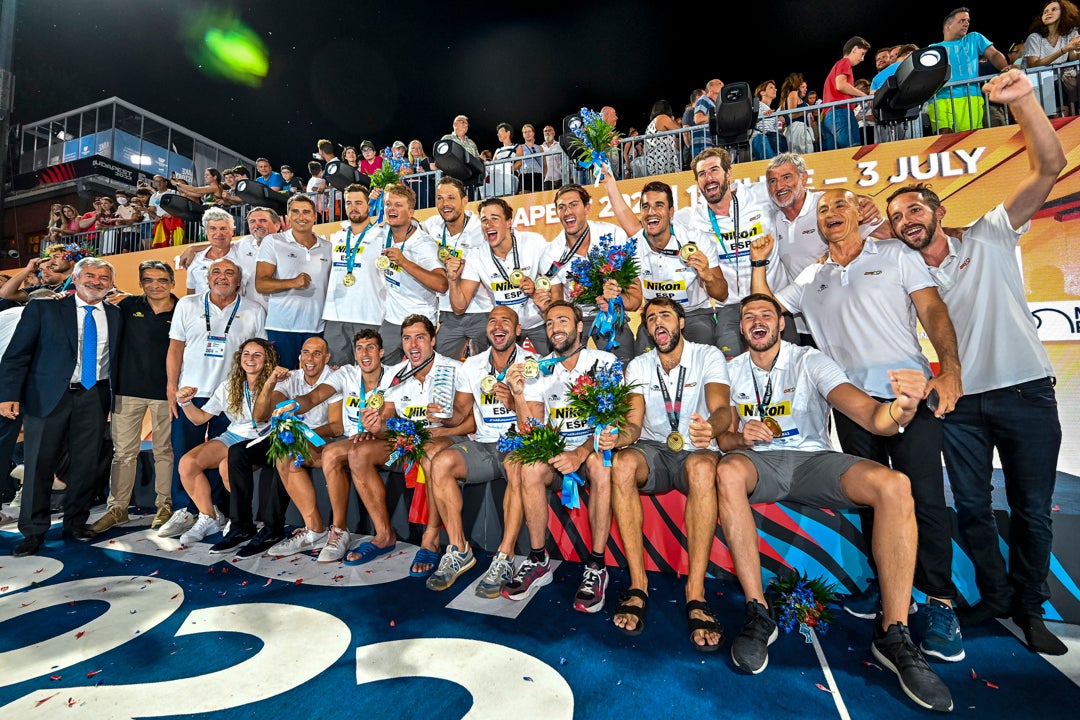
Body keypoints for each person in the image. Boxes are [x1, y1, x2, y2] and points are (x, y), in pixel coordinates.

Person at [885, 68, 1068, 656]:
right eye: (897, 218)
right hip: (958, 404)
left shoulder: (990, 233)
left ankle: (1030, 608)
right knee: (971, 508)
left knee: (1032, 511)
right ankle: (994, 596)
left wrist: (1025, 103)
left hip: (1025, 393)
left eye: (914, 210)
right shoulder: (905, 276)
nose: (906, 222)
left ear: (937, 210)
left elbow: (1049, 167)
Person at [749, 188, 968, 664]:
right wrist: (759, 262)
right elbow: (764, 308)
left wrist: (949, 368)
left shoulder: (894, 255)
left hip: (909, 399)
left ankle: (939, 602)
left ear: (859, 212)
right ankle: (886, 587)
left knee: (925, 499)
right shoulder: (811, 277)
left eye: (840, 205)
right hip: (852, 406)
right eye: (823, 209)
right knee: (871, 499)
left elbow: (933, 310)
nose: (830, 213)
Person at [715, 294, 953, 713]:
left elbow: (871, 417)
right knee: (728, 470)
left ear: (782, 324)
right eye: (748, 316)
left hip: (813, 461)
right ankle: (758, 611)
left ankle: (893, 632)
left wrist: (900, 409)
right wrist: (740, 437)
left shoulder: (810, 361)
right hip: (760, 464)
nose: (757, 321)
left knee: (895, 484)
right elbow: (725, 441)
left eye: (766, 314)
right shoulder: (730, 371)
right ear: (741, 328)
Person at [608, 297, 730, 648]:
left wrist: (711, 427)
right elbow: (634, 424)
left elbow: (723, 410)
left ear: (681, 322)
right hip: (656, 450)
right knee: (622, 464)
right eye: (650, 319)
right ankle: (638, 585)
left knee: (704, 468)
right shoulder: (639, 365)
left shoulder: (708, 355)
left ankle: (695, 592)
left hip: (696, 448)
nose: (658, 322)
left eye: (665, 315)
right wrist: (618, 437)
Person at [1, 258, 122, 557]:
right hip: (47, 397)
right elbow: (17, 354)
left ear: (111, 284)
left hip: (94, 396)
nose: (96, 282)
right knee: (39, 465)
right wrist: (8, 394)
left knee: (85, 464)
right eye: (90, 275)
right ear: (76, 279)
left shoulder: (117, 314)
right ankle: (33, 531)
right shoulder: (44, 308)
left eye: (104, 278)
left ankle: (76, 523)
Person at [501, 301, 618, 610]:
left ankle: (597, 565)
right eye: (550, 323)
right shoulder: (539, 369)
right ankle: (538, 559)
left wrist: (579, 453)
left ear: (580, 327)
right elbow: (531, 432)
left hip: (592, 450)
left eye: (563, 321)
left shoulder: (604, 361)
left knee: (601, 465)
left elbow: (610, 425)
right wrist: (518, 395)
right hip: (557, 451)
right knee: (529, 467)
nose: (555, 328)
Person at [337, 315, 471, 573]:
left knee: (429, 452)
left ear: (433, 340)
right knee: (358, 453)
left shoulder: (455, 369)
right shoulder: (395, 374)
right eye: (407, 338)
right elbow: (388, 420)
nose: (413, 345)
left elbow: (469, 422)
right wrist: (376, 426)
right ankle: (384, 534)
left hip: (444, 439)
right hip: (407, 442)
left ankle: (431, 538)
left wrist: (442, 426)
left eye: (420, 337)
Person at [425, 306, 536, 594]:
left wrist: (514, 402)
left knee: (516, 464)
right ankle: (459, 549)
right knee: (440, 463)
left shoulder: (532, 364)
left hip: (518, 444)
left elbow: (537, 423)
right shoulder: (472, 365)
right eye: (492, 321)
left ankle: (505, 555)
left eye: (505, 321)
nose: (498, 326)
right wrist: (442, 415)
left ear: (518, 330)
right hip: (484, 444)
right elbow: (461, 412)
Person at [161, 258, 266, 539]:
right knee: (185, 453)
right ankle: (185, 509)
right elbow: (175, 348)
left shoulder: (254, 310)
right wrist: (172, 388)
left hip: (232, 397)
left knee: (224, 457)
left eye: (229, 273)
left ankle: (216, 512)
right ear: (207, 279)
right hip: (191, 393)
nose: (222, 277)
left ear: (238, 281)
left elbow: (261, 352)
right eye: (216, 272)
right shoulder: (188, 304)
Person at [284, 329, 391, 563]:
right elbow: (313, 398)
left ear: (381, 352)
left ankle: (350, 530)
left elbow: (392, 415)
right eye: (360, 348)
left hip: (384, 439)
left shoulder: (393, 375)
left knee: (337, 452)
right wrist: (292, 405)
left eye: (371, 347)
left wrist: (376, 428)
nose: (365, 353)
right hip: (352, 440)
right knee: (302, 453)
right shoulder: (346, 373)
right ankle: (326, 530)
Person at [90, 260, 178, 534]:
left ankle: (165, 505)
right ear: (141, 283)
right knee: (124, 454)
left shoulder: (183, 309)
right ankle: (117, 508)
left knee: (165, 451)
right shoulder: (126, 306)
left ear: (172, 282)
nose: (155, 285)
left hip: (166, 393)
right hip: (127, 391)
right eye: (148, 280)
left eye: (162, 280)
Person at [673, 148, 787, 357]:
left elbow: (800, 199)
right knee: (729, 362)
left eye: (714, 170)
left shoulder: (761, 195)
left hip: (773, 300)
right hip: (730, 306)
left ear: (729, 173)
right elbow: (648, 228)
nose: (709, 178)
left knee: (787, 363)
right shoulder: (690, 218)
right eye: (702, 174)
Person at [601, 175, 727, 354]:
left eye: (659, 205)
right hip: (655, 316)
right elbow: (635, 302)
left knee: (701, 358)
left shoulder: (695, 239)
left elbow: (722, 294)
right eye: (646, 206)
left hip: (693, 314)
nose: (651, 212)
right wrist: (615, 297)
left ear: (671, 212)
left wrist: (707, 276)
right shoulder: (632, 248)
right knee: (643, 361)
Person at [172, 338, 278, 546]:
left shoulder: (278, 383)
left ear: (267, 360)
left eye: (257, 355)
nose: (250, 358)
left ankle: (239, 520)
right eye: (246, 354)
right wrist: (185, 402)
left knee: (226, 466)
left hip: (262, 439)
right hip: (233, 436)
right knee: (187, 463)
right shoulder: (230, 385)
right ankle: (209, 517)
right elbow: (200, 418)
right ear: (239, 358)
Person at [247, 337, 343, 558]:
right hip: (292, 438)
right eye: (306, 352)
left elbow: (336, 427)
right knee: (240, 454)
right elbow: (262, 414)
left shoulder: (335, 378)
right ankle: (240, 524)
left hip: (325, 440)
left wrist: (303, 434)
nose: (310, 358)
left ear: (327, 357)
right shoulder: (291, 377)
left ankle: (315, 528)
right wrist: (270, 383)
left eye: (317, 353)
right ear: (300, 355)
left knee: (286, 451)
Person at [447, 197, 554, 355]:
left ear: (509, 222)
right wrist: (453, 280)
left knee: (553, 365)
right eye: (484, 220)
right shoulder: (476, 255)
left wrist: (535, 289)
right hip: (506, 328)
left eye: (495, 218)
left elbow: (555, 281)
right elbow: (459, 307)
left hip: (539, 322)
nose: (488, 224)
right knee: (503, 369)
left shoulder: (533, 243)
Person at [547, 184, 639, 363]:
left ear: (587, 207)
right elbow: (556, 303)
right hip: (575, 319)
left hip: (610, 314)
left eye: (573, 205)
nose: (567, 212)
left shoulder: (613, 234)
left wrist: (615, 301)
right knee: (566, 368)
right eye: (561, 207)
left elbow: (635, 299)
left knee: (624, 366)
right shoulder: (551, 252)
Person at [255, 193, 332, 369]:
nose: (301, 217)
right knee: (282, 379)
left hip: (317, 327)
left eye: (306, 212)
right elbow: (261, 284)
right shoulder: (273, 241)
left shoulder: (327, 247)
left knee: (313, 379)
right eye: (295, 212)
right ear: (288, 216)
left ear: (315, 216)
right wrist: (292, 282)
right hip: (282, 327)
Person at [421, 177, 489, 360]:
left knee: (487, 367)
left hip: (482, 310)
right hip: (448, 311)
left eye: (451, 197)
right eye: (440, 198)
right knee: (442, 367)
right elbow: (409, 226)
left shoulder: (480, 228)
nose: (445, 204)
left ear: (465, 201)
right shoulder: (431, 225)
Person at [322, 184, 385, 363]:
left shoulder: (381, 236)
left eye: (359, 203)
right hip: (335, 315)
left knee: (369, 369)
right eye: (349, 203)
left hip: (369, 315)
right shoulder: (336, 237)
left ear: (369, 205)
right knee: (336, 371)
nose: (353, 208)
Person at [929, 7, 1009, 133]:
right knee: (944, 138)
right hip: (941, 98)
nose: (966, 23)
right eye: (961, 21)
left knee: (969, 138)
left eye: (968, 20)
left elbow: (994, 54)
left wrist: (1005, 68)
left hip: (971, 98)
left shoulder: (974, 38)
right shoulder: (933, 48)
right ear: (948, 26)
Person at [1024, 0, 1080, 117]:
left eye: (1054, 9)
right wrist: (1064, 49)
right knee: (1050, 120)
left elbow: (1073, 57)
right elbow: (1034, 64)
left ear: (1064, 12)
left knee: (1062, 118)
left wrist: (1076, 48)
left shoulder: (1070, 34)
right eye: (1045, 12)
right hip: (1036, 85)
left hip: (1057, 83)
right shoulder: (1034, 37)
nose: (1048, 13)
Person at [821, 36, 871, 150]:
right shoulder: (845, 62)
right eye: (862, 54)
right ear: (854, 49)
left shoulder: (836, 66)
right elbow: (841, 85)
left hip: (829, 117)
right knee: (853, 151)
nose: (862, 59)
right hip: (841, 113)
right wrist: (864, 96)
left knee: (837, 156)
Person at [186, 208, 240, 296]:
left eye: (223, 228)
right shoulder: (194, 259)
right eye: (213, 228)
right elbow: (190, 295)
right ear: (206, 231)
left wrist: (193, 248)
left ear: (232, 231)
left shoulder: (243, 252)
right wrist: (192, 248)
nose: (218, 233)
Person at [751, 80, 788, 160]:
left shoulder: (771, 111)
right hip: (761, 139)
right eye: (771, 87)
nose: (775, 90)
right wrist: (761, 116)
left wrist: (781, 123)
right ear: (762, 93)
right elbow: (749, 121)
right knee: (772, 162)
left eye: (775, 88)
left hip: (773, 141)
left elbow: (778, 130)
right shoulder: (756, 106)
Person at [486, 122, 523, 198]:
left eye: (500, 131)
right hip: (498, 179)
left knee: (508, 199)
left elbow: (519, 162)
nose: (498, 134)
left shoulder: (517, 147)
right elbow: (492, 165)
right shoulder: (498, 150)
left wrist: (508, 171)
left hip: (511, 177)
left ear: (508, 133)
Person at [643, 100, 681, 176]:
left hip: (656, 158)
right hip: (662, 158)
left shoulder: (653, 122)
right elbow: (679, 129)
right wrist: (673, 120)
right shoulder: (662, 118)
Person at [780, 73, 815, 154]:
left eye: (806, 87)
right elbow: (792, 114)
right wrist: (806, 110)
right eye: (802, 87)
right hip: (798, 130)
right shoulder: (793, 93)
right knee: (806, 156)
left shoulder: (794, 96)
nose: (805, 89)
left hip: (798, 130)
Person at [692, 79, 723, 157]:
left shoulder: (715, 104)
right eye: (719, 83)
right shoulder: (704, 99)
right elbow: (698, 119)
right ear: (710, 88)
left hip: (713, 144)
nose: (723, 85)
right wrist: (719, 117)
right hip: (704, 145)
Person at [519, 124, 545, 193]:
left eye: (529, 131)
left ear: (533, 133)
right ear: (523, 135)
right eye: (525, 132)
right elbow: (518, 162)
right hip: (525, 175)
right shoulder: (520, 147)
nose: (528, 134)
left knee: (538, 196)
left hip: (538, 175)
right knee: (525, 196)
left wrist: (543, 176)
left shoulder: (540, 148)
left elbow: (544, 164)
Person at [541, 125, 563, 191]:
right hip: (545, 180)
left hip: (558, 179)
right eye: (545, 131)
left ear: (554, 133)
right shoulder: (540, 148)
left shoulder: (560, 145)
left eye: (549, 130)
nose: (547, 132)